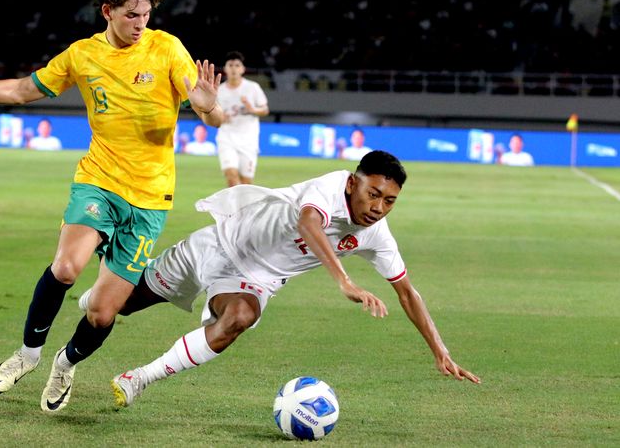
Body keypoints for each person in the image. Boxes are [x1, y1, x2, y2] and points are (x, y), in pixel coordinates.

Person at [0, 0, 225, 413]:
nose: (140, 24)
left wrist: (209, 106)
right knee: (65, 268)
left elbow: (210, 115)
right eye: (131, 14)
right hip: (98, 180)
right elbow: (21, 90)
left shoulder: (167, 48)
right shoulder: (82, 55)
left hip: (151, 197)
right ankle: (28, 355)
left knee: (101, 312)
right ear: (107, 11)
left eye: (146, 15)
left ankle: (65, 362)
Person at [77, 150, 480, 409]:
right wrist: (344, 280)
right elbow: (309, 224)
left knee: (238, 319)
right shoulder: (329, 186)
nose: (378, 207)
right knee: (115, 306)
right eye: (373, 194)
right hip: (218, 245)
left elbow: (407, 292)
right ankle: (100, 279)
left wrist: (440, 351)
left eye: (389, 201)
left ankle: (139, 378)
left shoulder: (377, 235)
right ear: (353, 182)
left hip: (255, 279)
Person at [215, 51, 269, 186]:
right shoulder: (219, 91)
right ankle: (234, 208)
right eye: (231, 65)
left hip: (248, 140)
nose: (234, 68)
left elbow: (265, 110)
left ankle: (243, 206)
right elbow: (212, 114)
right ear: (225, 68)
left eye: (237, 65)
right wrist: (220, 116)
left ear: (243, 69)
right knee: (231, 177)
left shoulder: (252, 88)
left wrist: (252, 110)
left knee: (246, 183)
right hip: (226, 138)